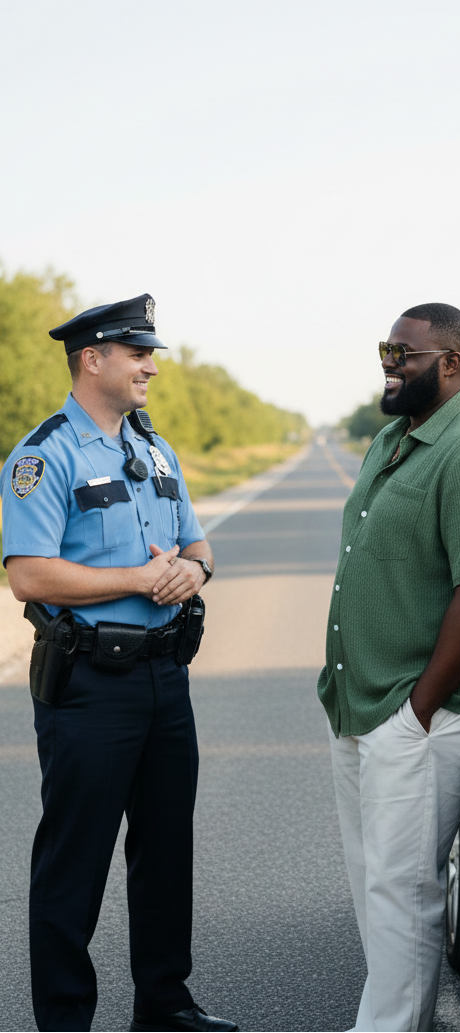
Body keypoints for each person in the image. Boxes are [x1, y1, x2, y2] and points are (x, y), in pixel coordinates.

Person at [0, 294, 237, 1033]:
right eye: (138, 353)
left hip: (168, 677)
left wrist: (190, 575)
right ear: (91, 358)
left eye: (152, 352)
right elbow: (30, 574)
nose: (152, 366)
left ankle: (164, 1006)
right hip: (90, 685)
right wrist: (137, 578)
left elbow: (198, 547)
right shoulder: (45, 455)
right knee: (75, 862)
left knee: (167, 854)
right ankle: (66, 1019)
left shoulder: (157, 449)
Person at [318, 303, 460, 1032]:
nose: (389, 361)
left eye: (403, 352)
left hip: (428, 714)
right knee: (375, 885)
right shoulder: (392, 438)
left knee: (403, 892)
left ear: (452, 362)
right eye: (386, 348)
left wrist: (417, 713)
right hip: (365, 703)